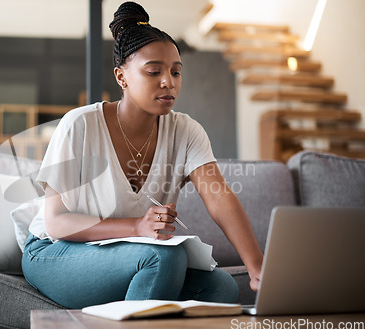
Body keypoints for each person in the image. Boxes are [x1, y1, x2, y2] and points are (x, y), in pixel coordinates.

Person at [22, 1, 263, 309]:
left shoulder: (186, 131)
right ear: (121, 78)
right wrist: (136, 227)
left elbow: (219, 198)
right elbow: (56, 223)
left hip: (131, 256)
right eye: (154, 72)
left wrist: (257, 267)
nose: (169, 82)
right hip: (54, 251)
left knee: (222, 289)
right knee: (162, 255)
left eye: (176, 72)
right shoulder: (79, 125)